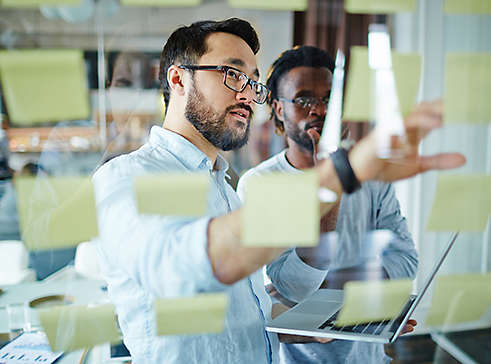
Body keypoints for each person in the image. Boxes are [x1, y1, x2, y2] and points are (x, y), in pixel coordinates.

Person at [92, 18, 465, 364]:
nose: (247, 96)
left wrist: (321, 324)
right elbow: (193, 265)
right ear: (178, 79)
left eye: (253, 82)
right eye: (233, 74)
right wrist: (344, 173)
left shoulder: (222, 187)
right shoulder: (125, 178)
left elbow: (245, 311)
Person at [237, 45, 420, 363]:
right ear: (279, 110)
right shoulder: (259, 184)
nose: (319, 109)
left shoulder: (372, 175)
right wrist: (328, 199)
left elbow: (406, 262)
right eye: (304, 99)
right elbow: (289, 284)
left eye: (329, 99)